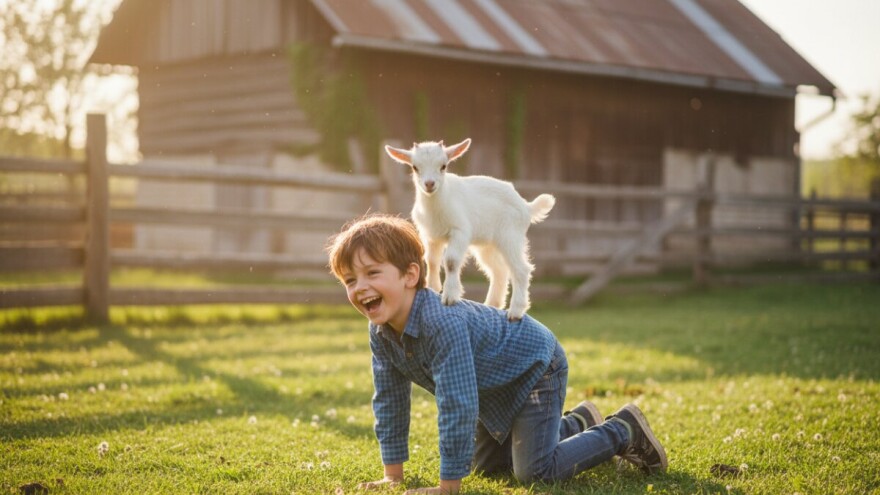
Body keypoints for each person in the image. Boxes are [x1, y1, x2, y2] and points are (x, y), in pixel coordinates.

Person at [326, 214, 667, 494]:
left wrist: (448, 488)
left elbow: (457, 403)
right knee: (487, 468)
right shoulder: (381, 332)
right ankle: (578, 424)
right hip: (495, 384)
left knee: (535, 472)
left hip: (535, 365)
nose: (360, 287)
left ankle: (622, 430)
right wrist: (393, 476)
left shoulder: (441, 323)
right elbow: (389, 400)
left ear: (410, 275)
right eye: (350, 280)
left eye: (372, 273)